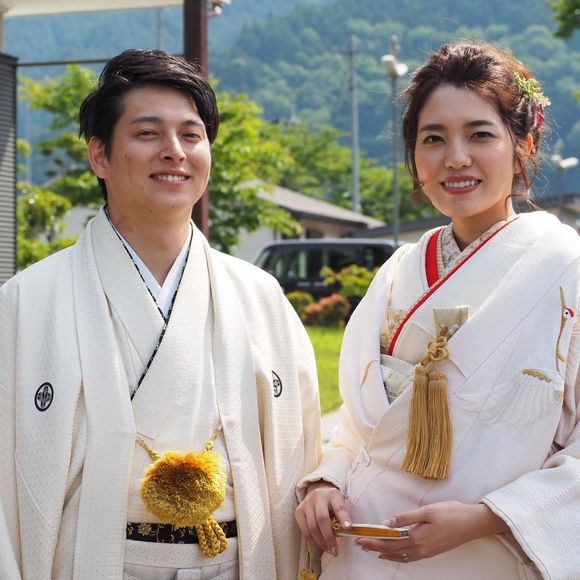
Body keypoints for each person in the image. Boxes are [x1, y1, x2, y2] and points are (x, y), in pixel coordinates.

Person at [0, 49, 321, 580]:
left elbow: (304, 444)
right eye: (148, 133)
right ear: (99, 156)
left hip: (236, 563)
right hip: (90, 564)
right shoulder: (27, 302)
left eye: (191, 135)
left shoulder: (259, 296)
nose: (175, 151)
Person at [295, 41, 580, 579]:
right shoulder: (398, 271)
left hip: (487, 556)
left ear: (524, 144)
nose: (455, 158)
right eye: (433, 138)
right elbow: (359, 423)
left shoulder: (567, 269)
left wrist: (486, 517)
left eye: (480, 135)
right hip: (363, 551)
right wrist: (327, 480)